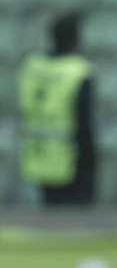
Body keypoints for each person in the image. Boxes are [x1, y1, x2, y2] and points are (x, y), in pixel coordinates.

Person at [18, 12, 96, 205]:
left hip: (36, 155)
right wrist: (90, 163)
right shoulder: (78, 71)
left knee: (48, 221)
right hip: (69, 159)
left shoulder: (32, 65)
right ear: (75, 38)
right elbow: (83, 122)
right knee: (72, 224)